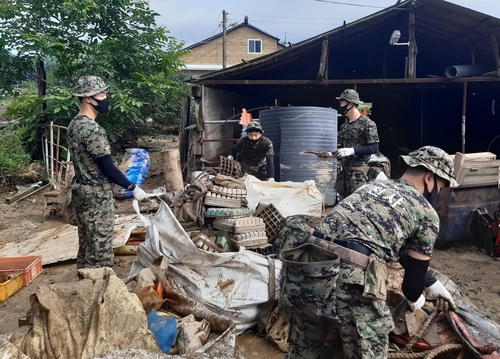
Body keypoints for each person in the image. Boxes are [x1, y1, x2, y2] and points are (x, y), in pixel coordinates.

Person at [284, 145, 458, 359]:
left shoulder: (369, 189)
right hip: (352, 277)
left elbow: (388, 245)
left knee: (304, 351)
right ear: (429, 178)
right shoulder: (426, 213)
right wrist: (416, 298)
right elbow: (411, 286)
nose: (439, 195)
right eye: (441, 187)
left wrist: (432, 284)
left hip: (309, 268)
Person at [67, 75, 148, 272]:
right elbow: (109, 169)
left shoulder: (74, 125)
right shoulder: (92, 129)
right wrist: (132, 187)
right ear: (88, 98)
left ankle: (83, 287)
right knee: (100, 251)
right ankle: (98, 292)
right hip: (97, 197)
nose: (105, 97)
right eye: (101, 93)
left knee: (86, 246)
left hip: (82, 194)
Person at [335, 89, 380, 199]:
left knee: (358, 206)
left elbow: (374, 148)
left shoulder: (367, 123)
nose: (340, 105)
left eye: (342, 102)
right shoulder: (344, 127)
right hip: (344, 175)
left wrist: (352, 151)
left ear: (350, 104)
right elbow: (341, 148)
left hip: (359, 175)